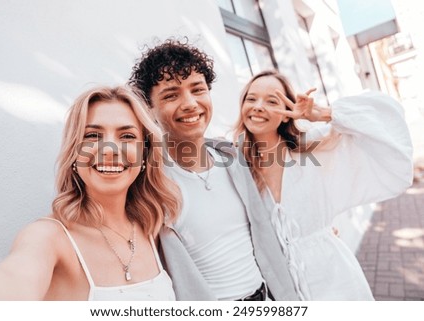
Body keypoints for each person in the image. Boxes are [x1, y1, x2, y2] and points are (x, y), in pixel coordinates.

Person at [129, 39, 299, 300]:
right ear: (149, 108)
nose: (190, 104)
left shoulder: (232, 158)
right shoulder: (150, 183)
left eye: (197, 89)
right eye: (171, 95)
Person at [0, 86, 180, 300]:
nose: (109, 149)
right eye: (92, 135)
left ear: (145, 155)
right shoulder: (48, 237)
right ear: (74, 154)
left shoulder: (152, 229)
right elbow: (11, 291)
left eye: (127, 136)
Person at [233, 69, 413, 300]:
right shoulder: (237, 167)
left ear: (287, 113)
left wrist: (323, 113)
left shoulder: (312, 147)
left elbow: (386, 120)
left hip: (336, 280)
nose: (258, 106)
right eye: (251, 98)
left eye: (272, 101)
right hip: (282, 291)